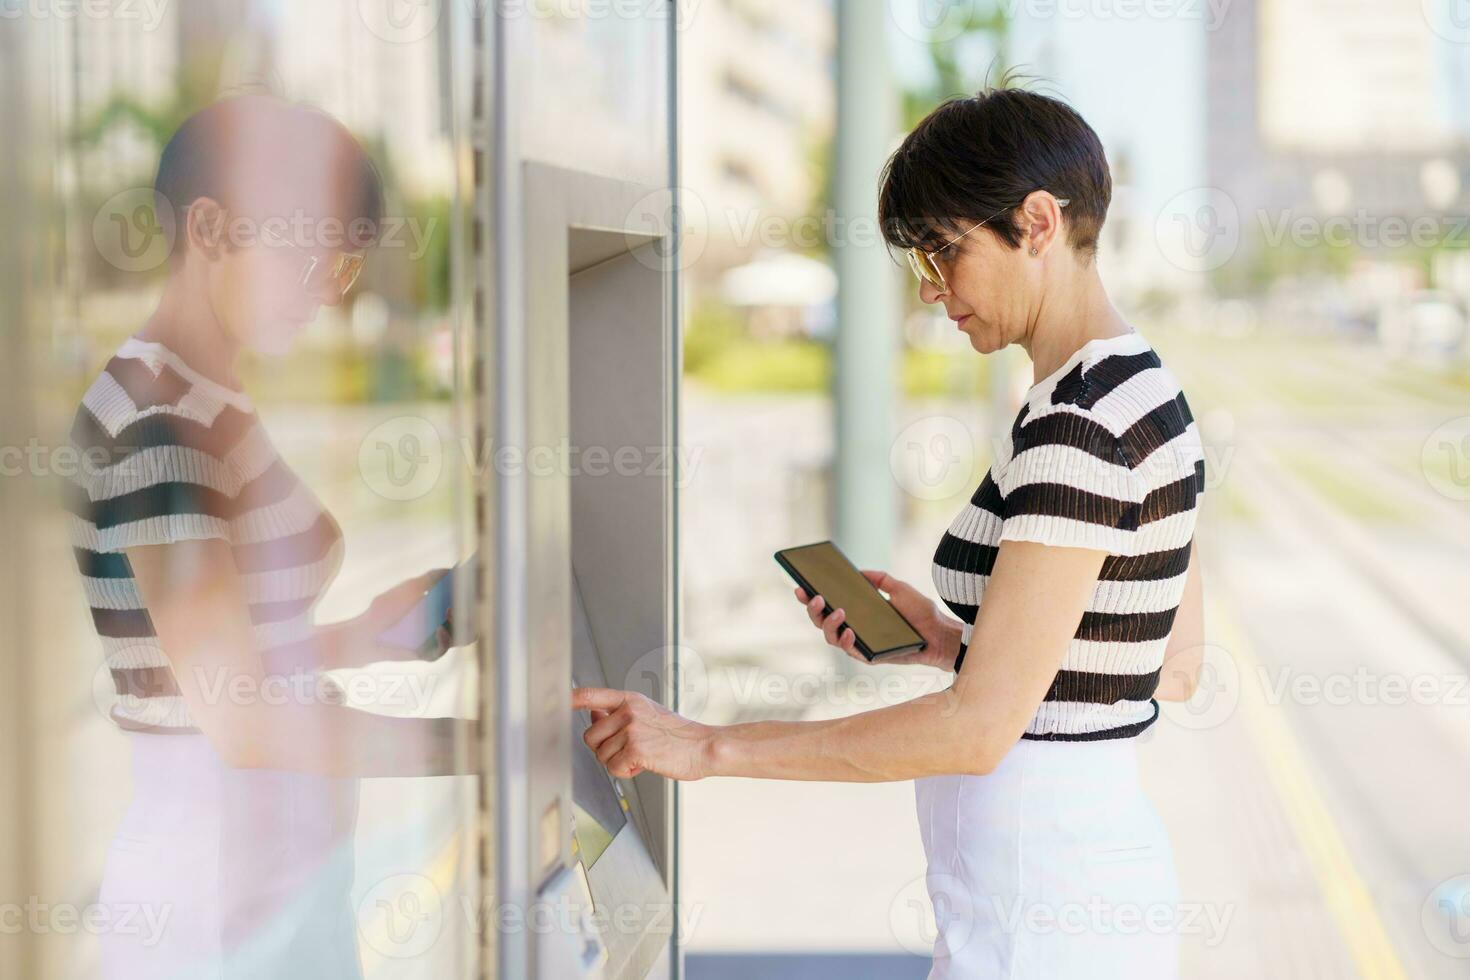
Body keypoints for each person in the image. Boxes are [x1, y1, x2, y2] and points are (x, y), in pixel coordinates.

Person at [574, 84, 1208, 979]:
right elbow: (1164, 665)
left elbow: (977, 731)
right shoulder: (1147, 394)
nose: (932, 288)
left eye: (945, 251)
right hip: (1078, 899)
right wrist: (951, 644)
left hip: (1039, 916)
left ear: (1035, 223)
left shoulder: (1079, 425)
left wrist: (707, 746)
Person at [65, 94, 475, 979]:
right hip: (218, 895)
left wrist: (368, 631)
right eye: (316, 255)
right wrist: (495, 745)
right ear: (211, 229)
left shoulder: (205, 395)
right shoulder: (158, 423)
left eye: (347, 264)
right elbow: (241, 720)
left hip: (271, 876)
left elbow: (198, 671)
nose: (332, 290)